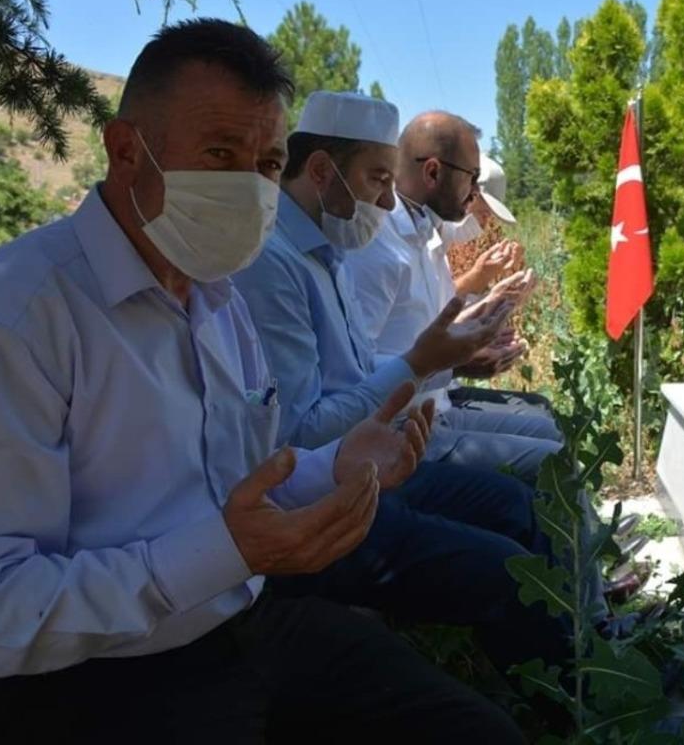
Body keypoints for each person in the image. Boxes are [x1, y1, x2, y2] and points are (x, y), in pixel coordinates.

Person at [0, 19, 525, 744]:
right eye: (220, 153)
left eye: (264, 163)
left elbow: (247, 480)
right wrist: (222, 554)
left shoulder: (218, 300)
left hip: (241, 622)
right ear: (126, 150)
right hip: (87, 689)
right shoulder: (7, 320)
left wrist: (333, 468)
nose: (250, 189)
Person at [233, 90, 571, 678]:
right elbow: (299, 433)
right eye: (376, 181)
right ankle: (574, 697)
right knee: (509, 568)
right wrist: (429, 365)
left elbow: (364, 372)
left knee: (521, 506)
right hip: (324, 493)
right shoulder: (276, 265)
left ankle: (579, 663)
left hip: (371, 460)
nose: (388, 201)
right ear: (320, 171)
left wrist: (443, 357)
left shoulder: (327, 251)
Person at [346, 111, 562, 483]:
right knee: (547, 466)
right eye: (472, 179)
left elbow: (427, 327)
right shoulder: (379, 246)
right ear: (432, 172)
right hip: (398, 434)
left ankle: (584, 536)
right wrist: (456, 363)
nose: (475, 195)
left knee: (549, 434)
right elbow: (352, 374)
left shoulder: (423, 235)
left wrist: (485, 320)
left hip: (429, 411)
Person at [443, 154, 555, 416]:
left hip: (444, 390)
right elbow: (434, 319)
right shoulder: (420, 244)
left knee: (541, 408)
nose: (485, 225)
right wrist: (485, 291)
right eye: (482, 213)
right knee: (541, 421)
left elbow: (445, 310)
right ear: (465, 194)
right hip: (435, 399)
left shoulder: (439, 245)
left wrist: (497, 304)